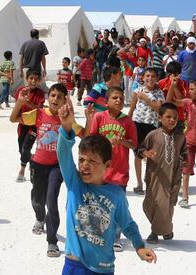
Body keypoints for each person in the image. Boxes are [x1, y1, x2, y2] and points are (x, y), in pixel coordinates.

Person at [56, 100, 157, 273]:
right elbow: (63, 153)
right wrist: (66, 127)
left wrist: (139, 246)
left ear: (107, 164)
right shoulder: (75, 183)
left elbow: (128, 224)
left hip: (103, 268)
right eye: (81, 159)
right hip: (75, 264)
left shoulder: (116, 194)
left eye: (92, 161)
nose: (84, 165)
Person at [10, 83, 81, 258]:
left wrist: (85, 118)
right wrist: (20, 102)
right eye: (53, 95)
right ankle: (40, 218)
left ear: (65, 100)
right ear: (48, 97)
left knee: (52, 201)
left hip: (57, 167)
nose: (55, 99)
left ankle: (52, 241)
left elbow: (85, 134)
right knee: (37, 201)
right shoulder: (39, 114)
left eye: (59, 96)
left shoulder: (67, 119)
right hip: (37, 165)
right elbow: (13, 118)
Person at [84, 88, 139, 250]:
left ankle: (115, 236)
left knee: (117, 205)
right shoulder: (99, 117)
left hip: (120, 171)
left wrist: (122, 141)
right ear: (106, 102)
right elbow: (91, 140)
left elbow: (134, 144)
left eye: (121, 98)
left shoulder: (128, 121)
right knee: (97, 203)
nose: (119, 101)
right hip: (101, 171)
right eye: (115, 98)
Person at [138, 103, 187, 243]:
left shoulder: (180, 137)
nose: (172, 120)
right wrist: (146, 153)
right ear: (160, 118)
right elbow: (140, 150)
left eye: (175, 118)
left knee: (167, 204)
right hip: (155, 176)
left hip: (173, 176)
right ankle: (166, 228)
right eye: (168, 117)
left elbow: (184, 152)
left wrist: (184, 161)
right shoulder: (153, 135)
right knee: (150, 204)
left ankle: (155, 232)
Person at [128, 68, 164, 195]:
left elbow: (158, 108)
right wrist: (128, 122)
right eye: (147, 76)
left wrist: (146, 98)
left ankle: (148, 178)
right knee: (138, 154)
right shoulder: (137, 91)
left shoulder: (159, 93)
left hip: (151, 126)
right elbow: (132, 109)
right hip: (137, 125)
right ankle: (139, 183)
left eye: (153, 76)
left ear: (156, 78)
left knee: (150, 155)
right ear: (142, 77)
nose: (150, 78)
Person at [12, 69, 46, 182]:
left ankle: (22, 170)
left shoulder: (40, 93)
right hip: (22, 124)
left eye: (36, 79)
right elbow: (17, 107)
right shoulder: (20, 91)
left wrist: (26, 102)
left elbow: (40, 109)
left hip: (34, 125)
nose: (33, 81)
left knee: (26, 147)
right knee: (21, 149)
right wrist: (22, 100)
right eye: (31, 78)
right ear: (26, 79)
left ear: (40, 81)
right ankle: (32, 159)